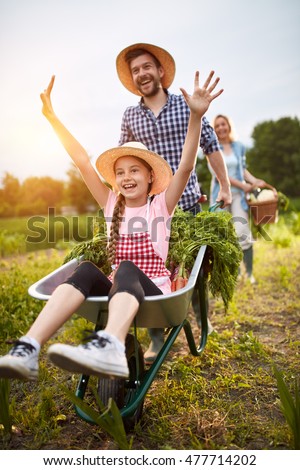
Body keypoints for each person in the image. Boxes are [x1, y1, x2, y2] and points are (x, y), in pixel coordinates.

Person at [0, 70, 223, 381]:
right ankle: (28, 348)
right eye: (120, 172)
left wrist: (196, 116)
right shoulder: (110, 204)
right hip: (121, 291)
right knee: (88, 270)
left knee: (128, 267)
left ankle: (111, 346)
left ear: (150, 178)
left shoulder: (161, 204)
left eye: (135, 170)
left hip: (154, 293)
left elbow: (186, 164)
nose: (127, 177)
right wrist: (52, 119)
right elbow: (80, 160)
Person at [116, 43, 231, 361]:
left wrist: (224, 185)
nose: (142, 74)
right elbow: (123, 161)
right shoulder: (130, 116)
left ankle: (197, 315)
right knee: (149, 268)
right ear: (133, 78)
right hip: (148, 210)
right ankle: (156, 335)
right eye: (136, 70)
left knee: (191, 271)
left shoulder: (185, 105)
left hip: (188, 206)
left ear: (160, 71)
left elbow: (209, 144)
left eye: (147, 67)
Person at [210, 114, 269, 284]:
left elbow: (243, 170)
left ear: (229, 126)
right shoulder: (212, 148)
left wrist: (254, 181)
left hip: (238, 197)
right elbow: (219, 174)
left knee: (242, 232)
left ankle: (249, 273)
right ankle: (231, 274)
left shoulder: (239, 147)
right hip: (221, 195)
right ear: (214, 130)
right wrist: (243, 185)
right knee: (224, 235)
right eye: (217, 126)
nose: (221, 128)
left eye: (223, 124)